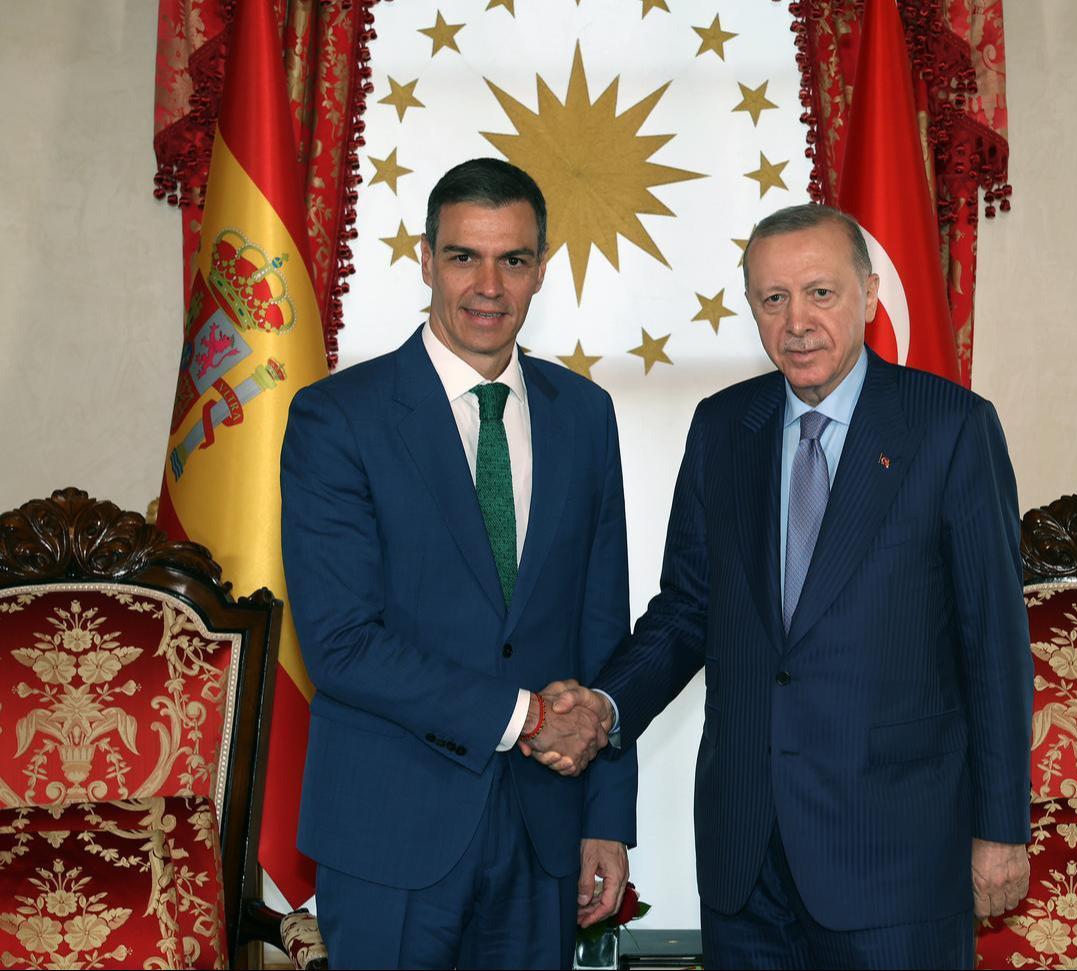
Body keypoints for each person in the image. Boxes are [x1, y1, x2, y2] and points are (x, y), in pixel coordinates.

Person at [544, 203, 1032, 969]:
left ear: (870, 295)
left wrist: (1002, 828)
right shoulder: (722, 427)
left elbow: (995, 645)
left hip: (894, 857)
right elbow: (687, 610)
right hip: (747, 854)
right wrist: (605, 706)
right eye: (774, 299)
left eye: (820, 293)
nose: (797, 321)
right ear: (753, 310)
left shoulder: (949, 427)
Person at [280, 157, 636, 970]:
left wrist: (607, 816)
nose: (488, 285)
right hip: (388, 832)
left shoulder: (584, 413)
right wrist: (529, 717)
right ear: (425, 259)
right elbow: (340, 644)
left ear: (542, 269)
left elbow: (600, 627)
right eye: (463, 256)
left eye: (513, 259)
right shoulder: (337, 417)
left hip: (547, 833)